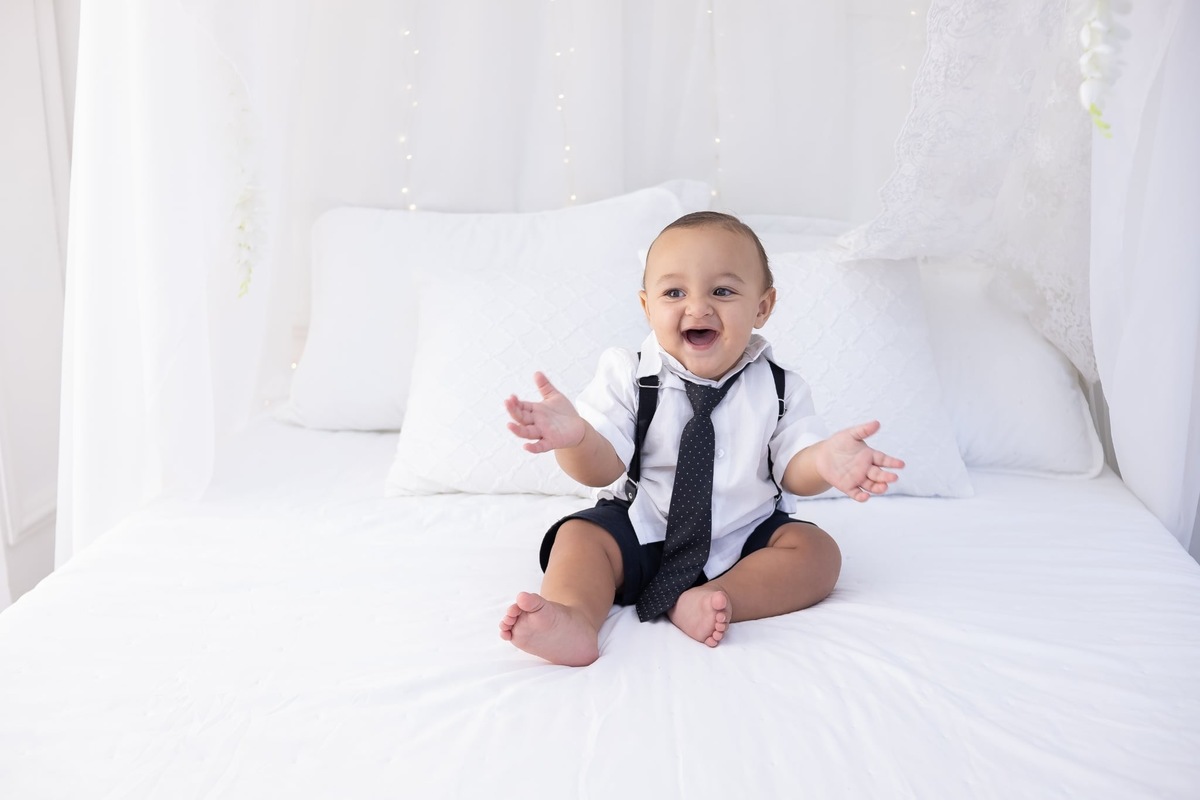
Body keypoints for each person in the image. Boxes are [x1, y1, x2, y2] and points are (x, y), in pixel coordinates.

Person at [499, 211, 903, 666]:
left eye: (723, 291)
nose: (698, 307)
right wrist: (574, 440)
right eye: (674, 292)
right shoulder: (627, 374)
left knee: (818, 554)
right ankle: (574, 619)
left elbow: (795, 470)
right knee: (579, 537)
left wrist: (825, 462)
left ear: (763, 307)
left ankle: (715, 597)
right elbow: (603, 466)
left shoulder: (782, 388)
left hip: (742, 538)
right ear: (647, 306)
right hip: (643, 527)